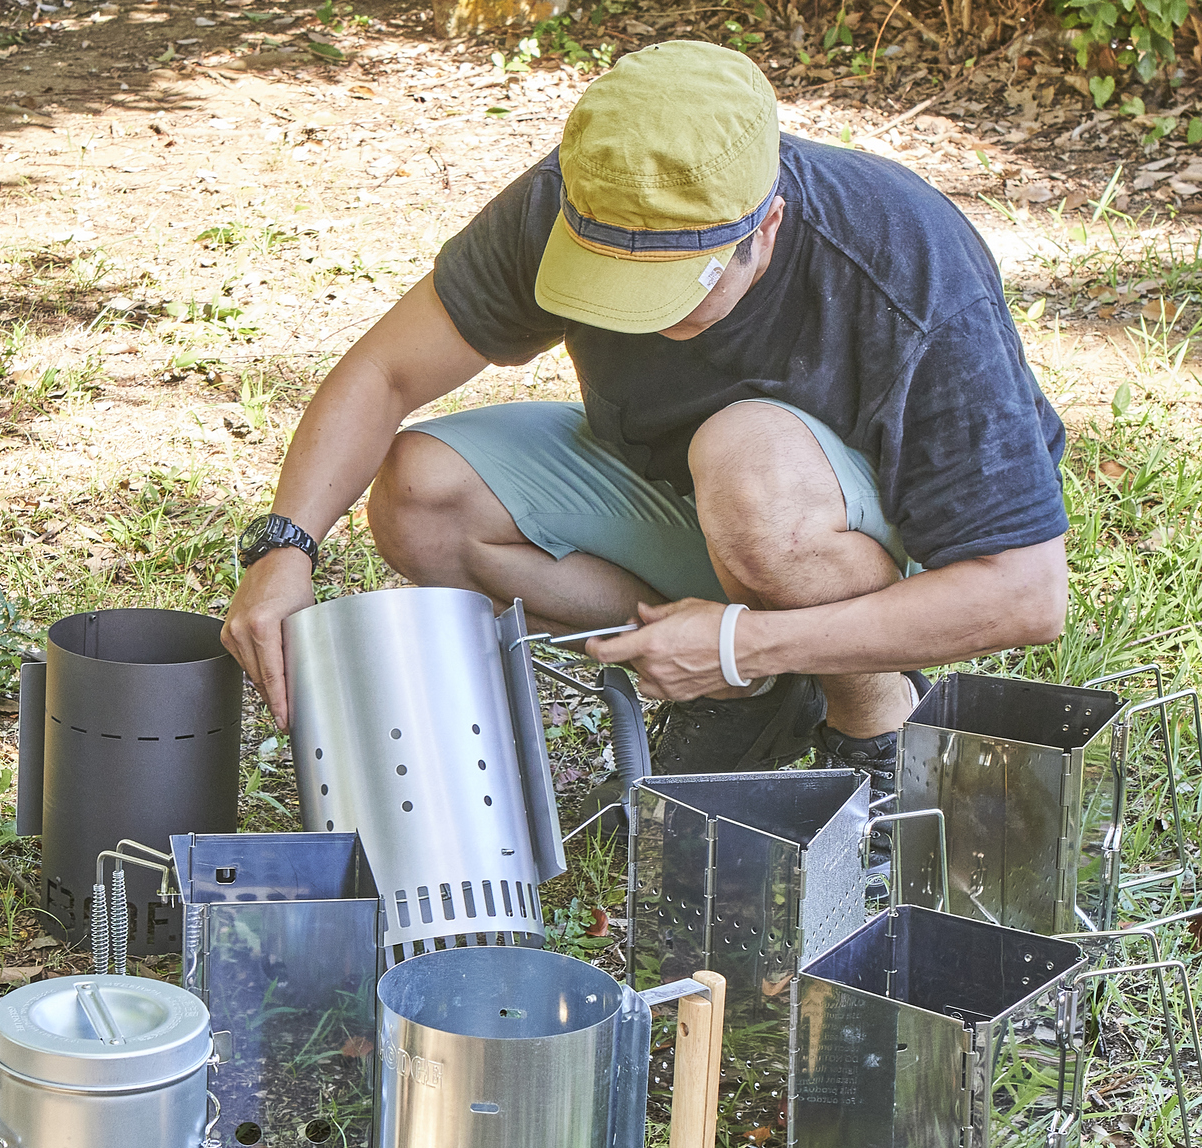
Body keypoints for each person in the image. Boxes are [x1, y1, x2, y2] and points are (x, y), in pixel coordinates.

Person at [223, 38, 1069, 794]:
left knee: (749, 461)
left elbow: (1025, 596)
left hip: (872, 544)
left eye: (676, 289)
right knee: (422, 491)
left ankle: (876, 728)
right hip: (698, 498)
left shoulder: (905, 264)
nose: (644, 320)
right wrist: (285, 548)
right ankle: (729, 690)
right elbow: (386, 371)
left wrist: (745, 639)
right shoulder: (578, 195)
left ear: (765, 227)